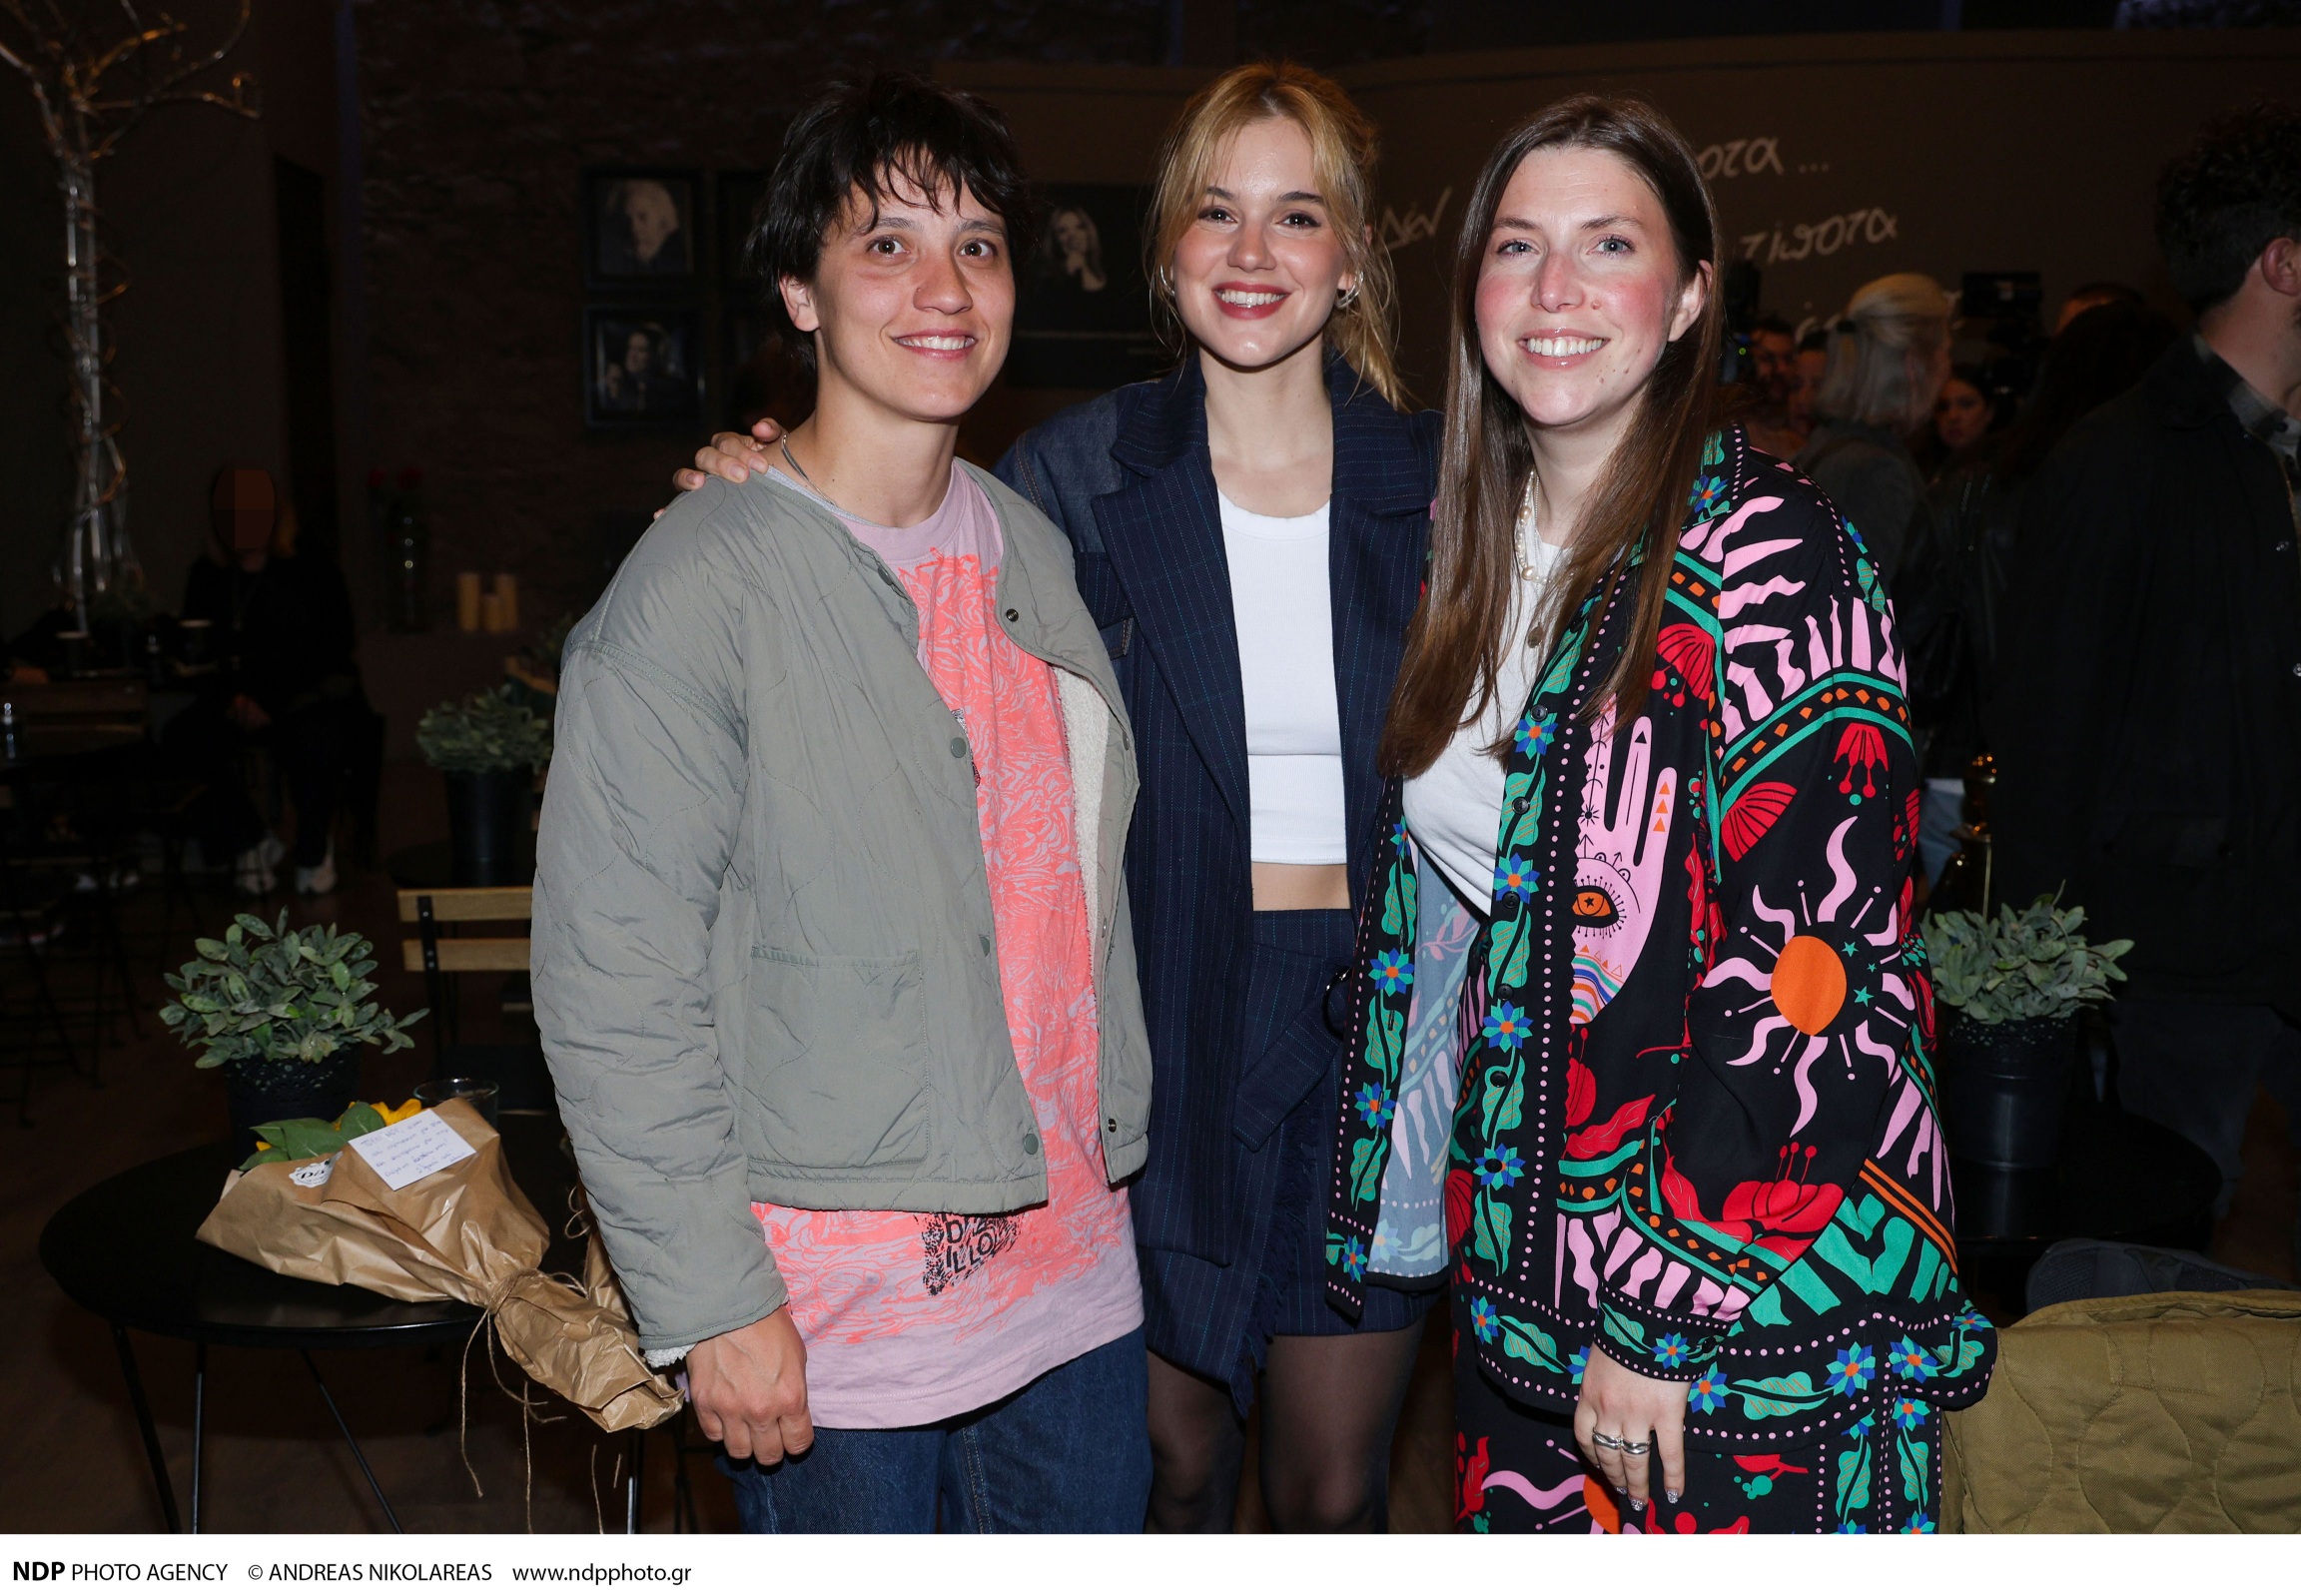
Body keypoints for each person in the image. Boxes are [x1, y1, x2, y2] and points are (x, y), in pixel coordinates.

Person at [679, 61, 1444, 1532]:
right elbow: (899, 561)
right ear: (1166, 250)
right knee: (1164, 1470)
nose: (1252, 251)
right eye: (1215, 211)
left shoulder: (1447, 485)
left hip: (1369, 1040)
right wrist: (754, 484)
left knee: (1332, 1492)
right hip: (1153, 1040)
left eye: (1296, 216)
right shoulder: (1072, 478)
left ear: (1352, 257)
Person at [1327, 94, 1993, 1535]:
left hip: (1739, 1308)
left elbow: (1817, 981)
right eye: (1517, 246)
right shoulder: (1471, 544)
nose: (1554, 289)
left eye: (1608, 245)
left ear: (1691, 296)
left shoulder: (1777, 558)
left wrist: (1661, 1312)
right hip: (1526, 1277)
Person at [534, 72, 1155, 1534]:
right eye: (887, 244)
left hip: (1073, 1280)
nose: (945, 287)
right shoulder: (698, 585)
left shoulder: (1028, 541)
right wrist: (711, 1299)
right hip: (834, 1326)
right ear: (800, 293)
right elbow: (616, 981)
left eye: (978, 245)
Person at [1989, 103, 2301, 1278]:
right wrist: (2036, 992)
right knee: (2159, 1269)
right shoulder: (2119, 461)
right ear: (2284, 263)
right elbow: (2049, 737)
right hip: (2175, 967)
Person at [1905, 301, 2178, 885]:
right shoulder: (2180, 492)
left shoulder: (1975, 486)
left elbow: (1913, 657)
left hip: (1977, 771)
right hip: (2142, 792)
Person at [167, 467, 360, 896]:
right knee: (183, 738)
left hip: (303, 695)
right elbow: (199, 651)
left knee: (316, 736)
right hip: (234, 699)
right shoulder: (208, 574)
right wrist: (233, 698)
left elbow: (332, 647)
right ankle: (248, 841)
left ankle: (313, 848)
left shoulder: (309, 565)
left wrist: (270, 701)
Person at [1795, 274, 1954, 585]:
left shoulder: (1828, 443)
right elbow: (1872, 602)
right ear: (1913, 366)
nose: (1949, 367)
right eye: (1946, 352)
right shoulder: (1876, 472)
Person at [1739, 315, 1806, 457]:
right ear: (1746, 363)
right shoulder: (1729, 435)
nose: (1781, 369)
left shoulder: (1801, 440)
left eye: (1788, 359)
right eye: (1767, 359)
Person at [598, 176, 687, 275]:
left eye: (642, 217)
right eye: (627, 220)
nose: (634, 228)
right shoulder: (618, 263)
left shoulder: (679, 262)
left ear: (663, 218)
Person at [1919, 363, 1992, 474]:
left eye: (1966, 404)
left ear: (1989, 411)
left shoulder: (2006, 470)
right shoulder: (1917, 469)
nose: (1953, 416)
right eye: (1943, 407)